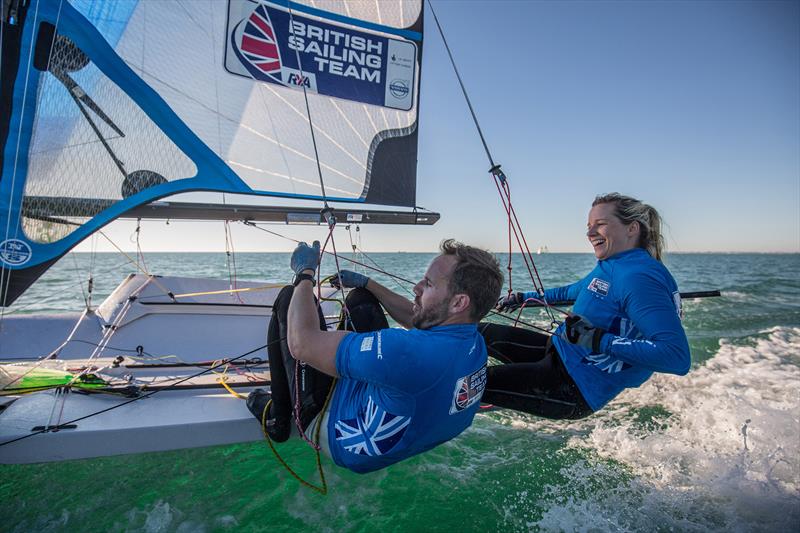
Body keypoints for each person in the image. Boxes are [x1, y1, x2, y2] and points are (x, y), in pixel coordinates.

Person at [247, 239, 503, 473]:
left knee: (290, 298)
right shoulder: (473, 342)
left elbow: (302, 344)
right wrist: (367, 283)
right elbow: (417, 319)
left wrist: (304, 274)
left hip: (337, 435)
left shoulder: (404, 352)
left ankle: (278, 417)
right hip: (403, 427)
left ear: (459, 303)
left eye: (429, 284)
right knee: (361, 299)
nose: (417, 287)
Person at [483, 193, 690, 419]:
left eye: (600, 225)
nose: (590, 233)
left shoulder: (638, 277)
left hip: (572, 386)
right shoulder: (614, 264)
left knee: (465, 386)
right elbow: (574, 291)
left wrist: (597, 339)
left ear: (632, 229)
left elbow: (676, 356)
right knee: (475, 333)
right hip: (560, 351)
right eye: (589, 226)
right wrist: (524, 297)